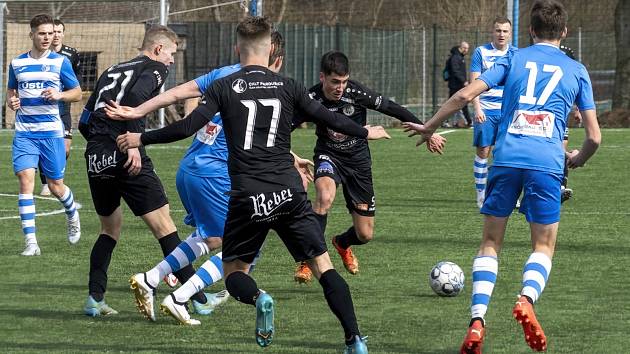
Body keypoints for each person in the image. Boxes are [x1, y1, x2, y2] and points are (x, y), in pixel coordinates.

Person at [115, 16, 396, 353]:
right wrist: (367, 131)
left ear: (238, 49)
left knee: (235, 272)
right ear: (271, 50)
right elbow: (330, 117)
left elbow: (186, 127)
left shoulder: (223, 86)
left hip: (247, 195)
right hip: (289, 192)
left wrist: (139, 137)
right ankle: (354, 339)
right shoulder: (289, 86)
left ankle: (260, 298)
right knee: (323, 267)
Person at [402, 1, 601, 352]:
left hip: (506, 157)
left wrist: (429, 126)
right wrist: (577, 159)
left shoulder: (513, 58)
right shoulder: (577, 69)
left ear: (531, 31)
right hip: (547, 161)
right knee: (542, 245)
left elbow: (465, 93)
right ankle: (525, 299)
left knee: (490, 243)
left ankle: (477, 321)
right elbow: (594, 136)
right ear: (564, 32)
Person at [105, 31, 301, 324]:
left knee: (208, 238)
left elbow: (175, 93)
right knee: (245, 249)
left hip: (191, 170)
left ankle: (151, 278)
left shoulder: (224, 75)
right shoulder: (272, 87)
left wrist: (137, 111)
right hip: (215, 173)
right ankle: (180, 297)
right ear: (277, 57)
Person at [78, 25, 207, 317]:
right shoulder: (154, 67)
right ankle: (198, 298)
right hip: (124, 149)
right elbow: (136, 98)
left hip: (96, 154)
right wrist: (131, 144)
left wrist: (102, 147)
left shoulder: (111, 70)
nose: (172, 61)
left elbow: (85, 121)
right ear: (159, 49)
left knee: (109, 229)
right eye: (172, 53)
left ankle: (95, 299)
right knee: (165, 226)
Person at [291, 51, 446, 284]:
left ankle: (342, 243)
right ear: (322, 77)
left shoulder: (356, 92)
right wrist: (290, 156)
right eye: (334, 82)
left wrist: (426, 129)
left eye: (343, 82)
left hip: (358, 161)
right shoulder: (311, 97)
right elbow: (282, 129)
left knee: (365, 234)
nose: (340, 87)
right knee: (324, 197)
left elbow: (390, 107)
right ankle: (307, 259)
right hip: (328, 154)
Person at [6, 14, 82, 256]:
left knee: (56, 186)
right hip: (25, 133)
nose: (47, 37)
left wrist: (59, 96)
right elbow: (11, 90)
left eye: (50, 33)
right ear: (32, 35)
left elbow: (77, 93)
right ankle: (31, 243)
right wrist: (12, 101)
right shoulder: (17, 63)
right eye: (42, 33)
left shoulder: (61, 62)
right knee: (25, 181)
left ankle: (72, 214)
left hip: (51, 133)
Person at [469, 17, 517, 208]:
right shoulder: (481, 52)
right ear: (492, 31)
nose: (501, 34)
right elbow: (474, 83)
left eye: (505, 31)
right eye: (498, 30)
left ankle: (507, 195)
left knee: (507, 154)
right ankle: (481, 195)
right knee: (483, 152)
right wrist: (477, 108)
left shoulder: (516, 54)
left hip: (508, 112)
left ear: (510, 33)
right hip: (486, 111)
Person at [39, 19, 81, 196]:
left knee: (65, 148)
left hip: (64, 106)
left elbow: (75, 81)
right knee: (46, 144)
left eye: (59, 31)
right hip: (46, 106)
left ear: (63, 33)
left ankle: (55, 178)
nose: (55, 35)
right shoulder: (41, 54)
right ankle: (46, 182)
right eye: (52, 31)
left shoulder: (71, 54)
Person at [559, 44, 582, 204]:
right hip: (540, 114)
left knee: (561, 148)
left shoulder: (567, 52)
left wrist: (578, 109)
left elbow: (576, 85)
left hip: (562, 113)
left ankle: (560, 188)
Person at [446, 41, 471, 127]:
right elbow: (455, 71)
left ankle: (467, 121)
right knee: (453, 104)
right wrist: (464, 81)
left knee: (460, 104)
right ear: (462, 48)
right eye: (466, 48)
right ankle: (446, 121)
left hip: (458, 85)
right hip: (455, 85)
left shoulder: (460, 57)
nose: (467, 50)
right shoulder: (456, 57)